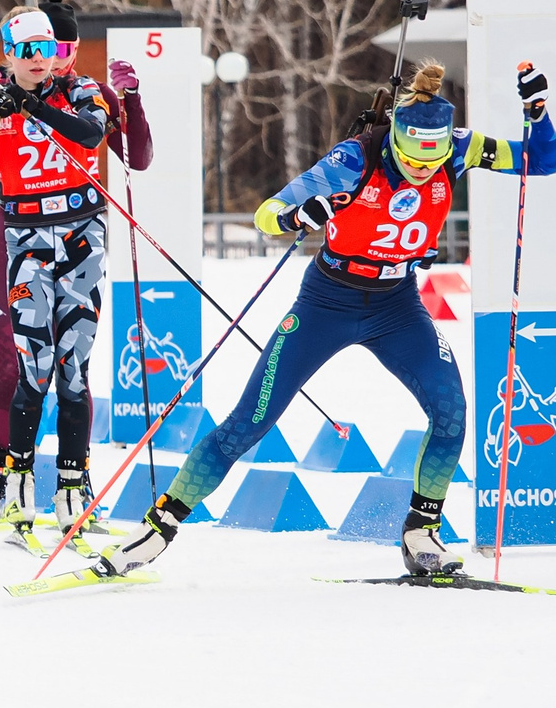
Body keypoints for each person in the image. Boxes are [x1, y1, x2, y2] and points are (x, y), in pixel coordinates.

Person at [94, 61, 555, 582]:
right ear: (396, 142)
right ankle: (157, 529)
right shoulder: (353, 159)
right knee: (250, 422)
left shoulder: (461, 146)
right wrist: (299, 215)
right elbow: (267, 216)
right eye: (410, 160)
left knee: (451, 412)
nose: (424, 170)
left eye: (435, 159)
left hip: (397, 305)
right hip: (326, 304)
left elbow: (542, 160)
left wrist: (536, 112)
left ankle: (420, 530)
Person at [0, 0, 151, 529]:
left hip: (80, 235)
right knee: (33, 361)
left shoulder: (79, 89)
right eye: (25, 50)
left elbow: (92, 134)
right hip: (24, 237)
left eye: (46, 48)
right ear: (8, 53)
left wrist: (30, 108)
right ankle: (16, 471)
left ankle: (74, 477)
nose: (37, 58)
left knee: (75, 363)